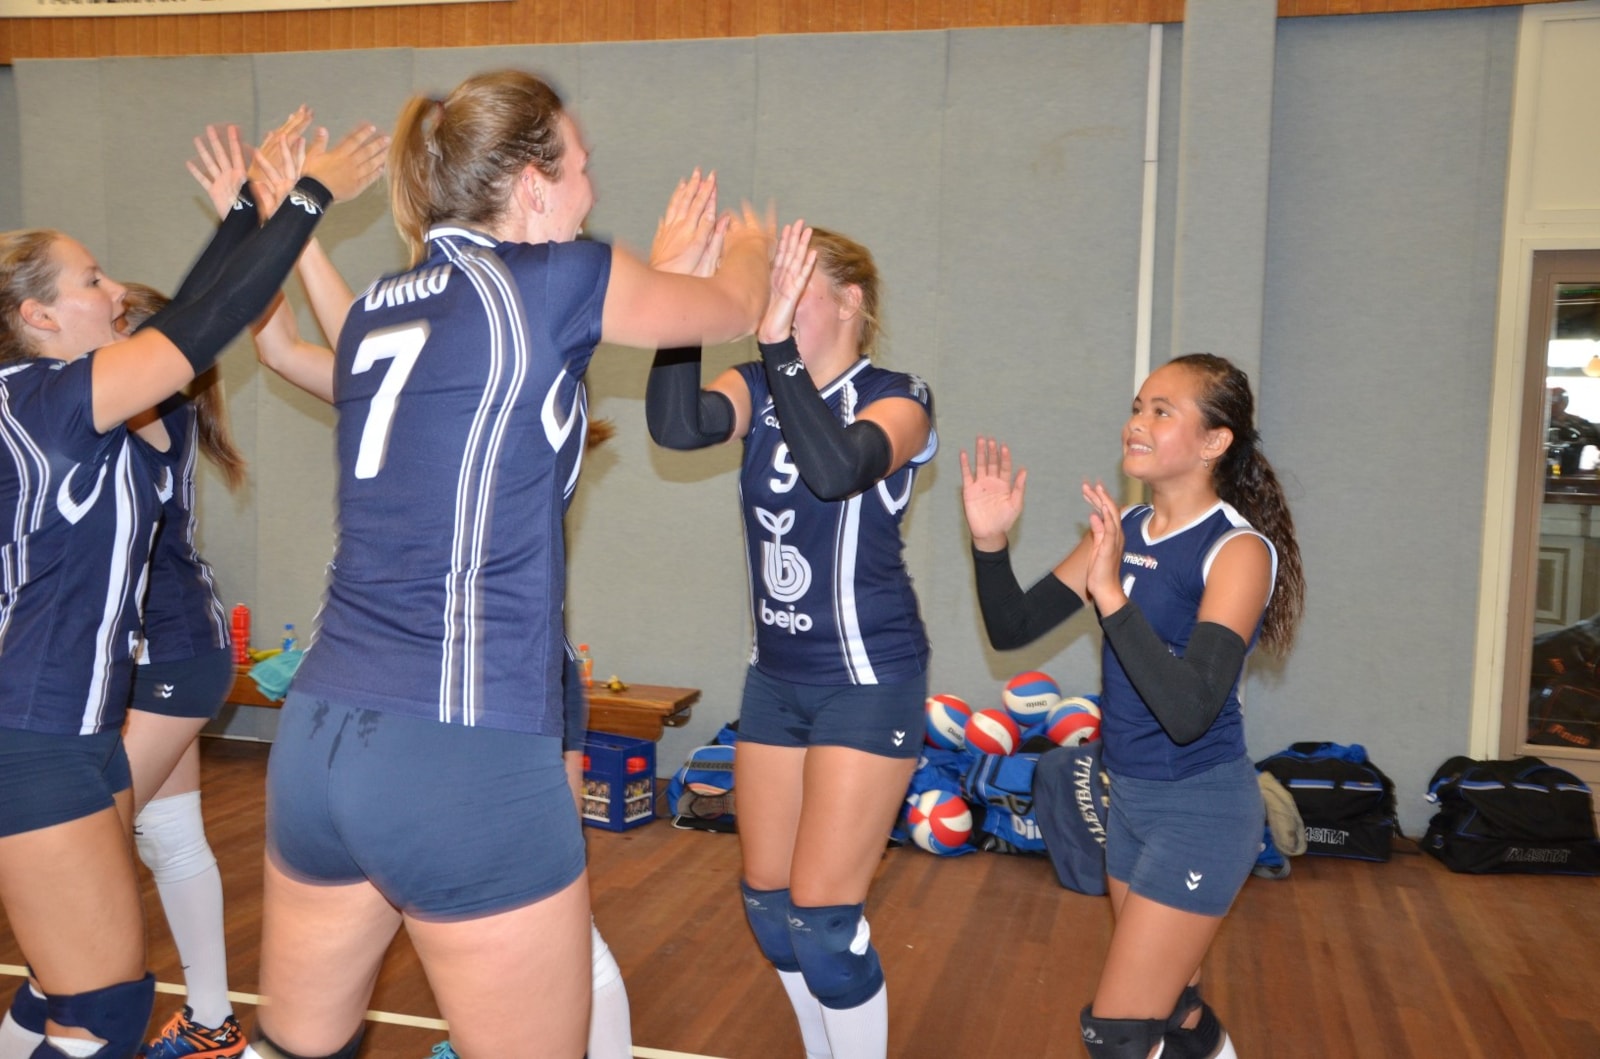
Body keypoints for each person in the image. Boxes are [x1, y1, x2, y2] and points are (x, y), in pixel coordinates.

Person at [242, 70, 770, 1059]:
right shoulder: (551, 279)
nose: (592, 192)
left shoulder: (386, 306)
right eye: (582, 169)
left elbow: (305, 348)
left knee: (296, 1048)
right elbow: (733, 304)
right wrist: (752, 244)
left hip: (317, 738)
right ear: (532, 184)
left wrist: (284, 228)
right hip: (460, 748)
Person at [0, 122, 384, 1059]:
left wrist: (250, 210)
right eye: (92, 280)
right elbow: (198, 327)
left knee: (70, 990)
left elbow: (190, 320)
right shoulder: (51, 399)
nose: (115, 293)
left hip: (74, 728)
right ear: (38, 316)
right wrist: (306, 199)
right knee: (101, 1008)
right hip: (32, 734)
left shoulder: (61, 398)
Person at [959, 353, 1305, 1059]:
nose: (1137, 423)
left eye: (1161, 411)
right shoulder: (1125, 529)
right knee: (1173, 1007)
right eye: (1137, 407)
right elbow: (1012, 628)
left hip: (1201, 812)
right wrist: (990, 543)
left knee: (1116, 1033)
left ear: (1214, 441)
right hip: (1130, 801)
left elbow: (1189, 710)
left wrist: (1111, 593)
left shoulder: (1238, 551)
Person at [646, 223, 937, 1059]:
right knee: (770, 907)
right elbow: (680, 427)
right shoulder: (757, 382)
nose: (770, 303)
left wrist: (777, 346)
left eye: (793, 286)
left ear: (850, 302)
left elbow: (836, 468)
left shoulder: (900, 396)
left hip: (866, 678)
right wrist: (677, 302)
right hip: (775, 679)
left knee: (823, 917)